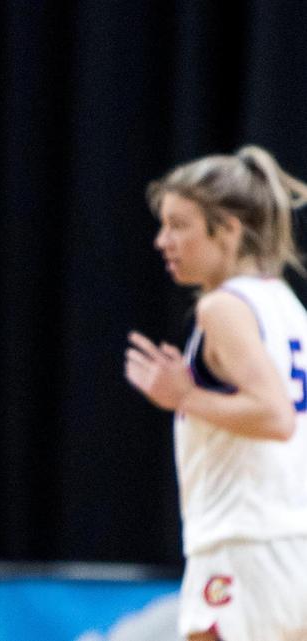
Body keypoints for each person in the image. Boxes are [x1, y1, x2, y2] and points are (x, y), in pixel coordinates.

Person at [125, 145, 307, 640]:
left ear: (227, 228)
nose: (163, 240)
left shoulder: (222, 307)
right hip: (289, 542)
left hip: (242, 547)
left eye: (179, 225)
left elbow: (275, 416)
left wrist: (183, 396)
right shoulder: (285, 303)